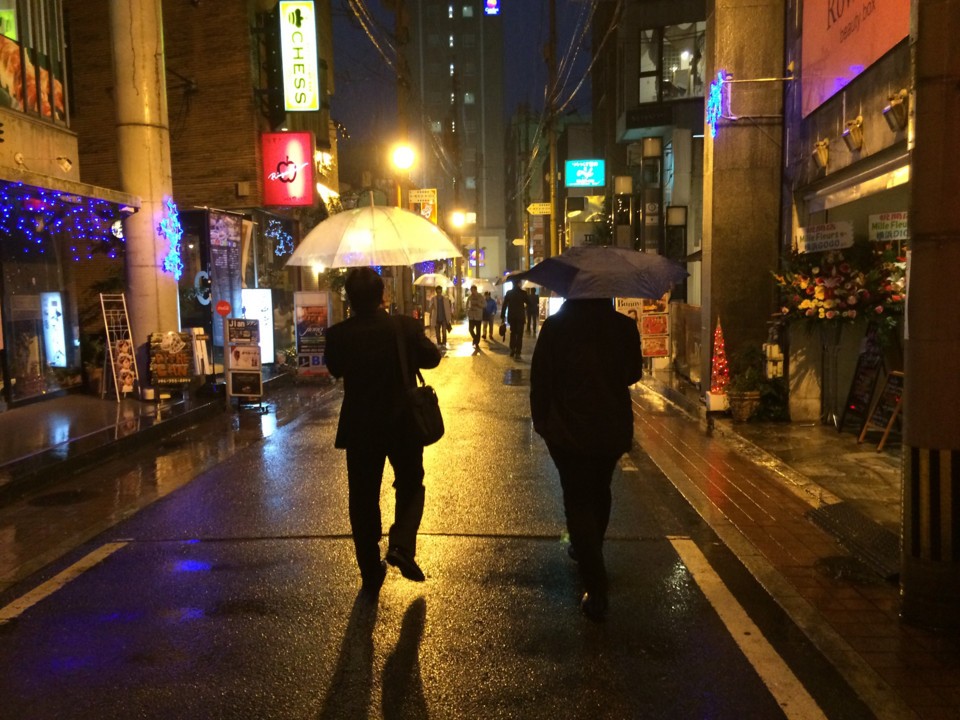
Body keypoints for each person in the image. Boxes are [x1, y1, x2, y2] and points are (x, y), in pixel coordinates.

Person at [324, 267, 442, 598]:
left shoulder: (339, 334)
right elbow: (432, 358)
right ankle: (402, 543)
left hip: (360, 426)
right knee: (410, 484)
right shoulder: (403, 326)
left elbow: (334, 369)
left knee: (362, 496)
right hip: (403, 423)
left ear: (348, 298)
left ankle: (369, 568)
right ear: (383, 295)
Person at [529, 298, 643, 621]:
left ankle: (596, 583)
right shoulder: (623, 326)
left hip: (567, 431)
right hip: (610, 427)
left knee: (577, 498)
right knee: (600, 489)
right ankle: (589, 548)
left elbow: (541, 378)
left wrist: (543, 421)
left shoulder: (555, 327)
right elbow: (632, 374)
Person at [500, 281, 529, 358]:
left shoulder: (509, 293)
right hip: (520, 316)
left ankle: (512, 348)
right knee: (520, 334)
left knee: (513, 333)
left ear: (513, 284)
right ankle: (518, 351)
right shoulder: (523, 293)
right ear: (519, 284)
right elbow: (528, 303)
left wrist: (503, 316)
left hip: (512, 316)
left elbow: (504, 305)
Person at [466, 285, 485, 349]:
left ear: (476, 290)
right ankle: (475, 339)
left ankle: (476, 343)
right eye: (471, 290)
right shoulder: (470, 297)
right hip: (471, 316)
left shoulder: (480, 296)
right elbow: (467, 305)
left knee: (478, 330)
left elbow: (485, 305)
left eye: (474, 290)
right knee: (470, 329)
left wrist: (479, 305)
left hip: (478, 316)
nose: (472, 292)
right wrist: (468, 311)